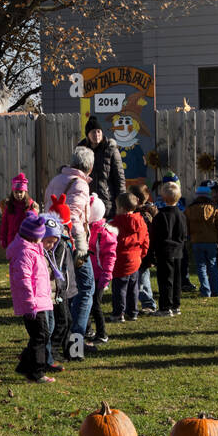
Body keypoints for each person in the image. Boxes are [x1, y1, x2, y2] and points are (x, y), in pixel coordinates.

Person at [44, 147, 96, 346]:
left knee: (68, 290)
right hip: (72, 242)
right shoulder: (80, 184)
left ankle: (64, 336)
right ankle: (76, 342)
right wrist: (81, 246)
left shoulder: (56, 179)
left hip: (53, 240)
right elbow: (73, 216)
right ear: (89, 167)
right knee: (86, 288)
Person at [9, 212, 55, 383]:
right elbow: (23, 280)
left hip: (40, 300)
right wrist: (30, 303)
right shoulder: (25, 253)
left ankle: (24, 365)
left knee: (40, 335)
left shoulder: (34, 250)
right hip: (33, 303)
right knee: (40, 336)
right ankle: (36, 372)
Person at [150, 180, 188, 317]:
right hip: (178, 250)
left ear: (163, 197)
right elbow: (184, 233)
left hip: (164, 251)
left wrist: (153, 251)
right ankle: (176, 305)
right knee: (177, 279)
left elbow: (155, 236)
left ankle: (166, 307)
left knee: (165, 280)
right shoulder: (181, 215)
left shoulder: (160, 216)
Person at [42, 212, 74, 364]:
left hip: (63, 290)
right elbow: (58, 270)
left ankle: (68, 350)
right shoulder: (57, 247)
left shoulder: (59, 244)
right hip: (57, 292)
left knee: (66, 320)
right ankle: (52, 352)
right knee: (60, 322)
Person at [185, 182, 218, 298]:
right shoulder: (215, 210)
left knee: (201, 266)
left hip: (196, 242)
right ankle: (216, 291)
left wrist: (189, 236)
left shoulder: (189, 210)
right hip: (211, 242)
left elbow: (185, 226)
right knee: (213, 266)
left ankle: (205, 291)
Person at [111, 192, 147, 321]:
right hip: (135, 258)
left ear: (120, 208)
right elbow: (145, 239)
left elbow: (110, 241)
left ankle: (118, 313)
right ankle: (133, 312)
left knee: (119, 288)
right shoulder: (140, 221)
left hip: (120, 260)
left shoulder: (115, 223)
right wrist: (141, 254)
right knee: (133, 287)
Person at [87, 194, 117, 344]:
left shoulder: (103, 233)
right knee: (86, 303)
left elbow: (110, 256)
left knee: (96, 305)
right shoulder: (88, 229)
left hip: (99, 275)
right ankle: (88, 330)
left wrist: (106, 275)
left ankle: (102, 334)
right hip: (88, 273)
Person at [79, 115, 125, 208]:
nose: (96, 135)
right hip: (87, 201)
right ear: (88, 135)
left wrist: (121, 201)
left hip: (107, 201)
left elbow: (119, 177)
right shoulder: (81, 151)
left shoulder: (111, 150)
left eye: (98, 131)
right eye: (93, 132)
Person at [129, 183, 157, 311]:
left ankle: (148, 302)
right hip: (143, 251)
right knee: (140, 278)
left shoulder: (142, 216)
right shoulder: (149, 213)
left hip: (142, 251)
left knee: (142, 279)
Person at [0, 173, 39, 249]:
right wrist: (2, 238)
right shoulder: (9, 206)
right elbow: (4, 224)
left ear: (25, 192)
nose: (18, 194)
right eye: (16, 192)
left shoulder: (30, 205)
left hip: (26, 240)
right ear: (13, 192)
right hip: (12, 240)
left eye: (21, 192)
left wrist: (35, 212)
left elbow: (34, 223)